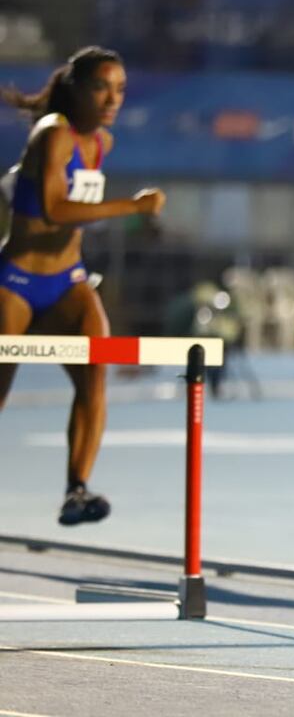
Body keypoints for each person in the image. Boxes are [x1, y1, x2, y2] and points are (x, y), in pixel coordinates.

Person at [0, 45, 165, 525]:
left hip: (66, 280)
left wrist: (142, 221)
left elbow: (76, 207)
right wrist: (131, 208)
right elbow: (54, 208)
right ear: (75, 89)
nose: (112, 99)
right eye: (101, 87)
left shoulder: (102, 144)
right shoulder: (52, 133)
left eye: (120, 90)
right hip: (15, 281)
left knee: (96, 374)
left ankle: (77, 490)